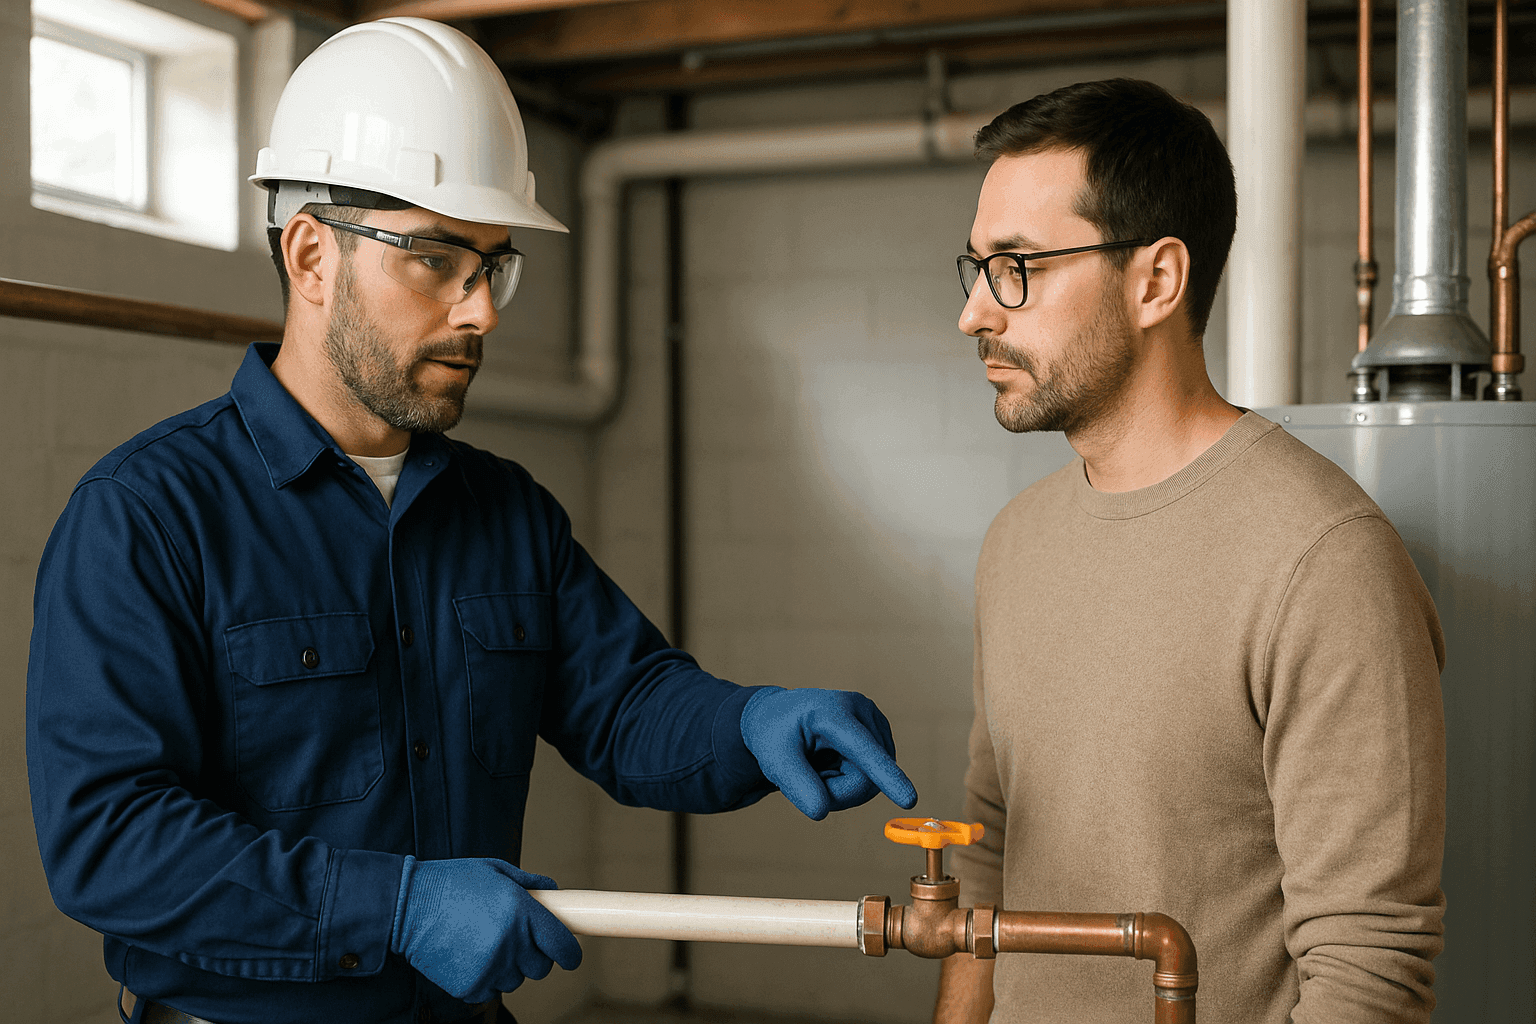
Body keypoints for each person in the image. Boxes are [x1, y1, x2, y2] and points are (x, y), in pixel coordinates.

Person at [26, 19, 917, 1024]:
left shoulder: (506, 513)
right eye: (436, 258)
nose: (482, 310)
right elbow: (108, 840)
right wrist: (395, 908)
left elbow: (625, 707)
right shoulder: (148, 516)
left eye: (493, 264)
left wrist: (751, 724)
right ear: (312, 256)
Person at [932, 79, 1445, 1024]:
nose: (976, 314)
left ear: (1156, 282)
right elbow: (991, 853)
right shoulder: (1015, 543)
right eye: (979, 267)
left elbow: (1366, 974)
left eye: (1018, 267)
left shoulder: (1325, 560)